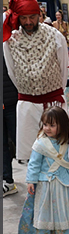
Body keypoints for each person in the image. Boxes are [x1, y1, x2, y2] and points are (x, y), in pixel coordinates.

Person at [3, 0, 69, 164]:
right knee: (33, 156)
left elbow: (63, 68)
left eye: (32, 17)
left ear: (39, 16)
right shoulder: (11, 40)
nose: (28, 22)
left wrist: (54, 91)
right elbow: (12, 72)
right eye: (24, 18)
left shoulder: (55, 36)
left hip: (53, 101)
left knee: (59, 152)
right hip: (27, 104)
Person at [19, 107, 69, 234]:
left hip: (68, 180)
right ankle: (49, 233)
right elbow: (34, 164)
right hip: (47, 183)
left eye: (52, 125)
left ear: (62, 125)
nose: (47, 128)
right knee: (49, 209)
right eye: (45, 124)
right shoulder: (40, 143)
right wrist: (31, 180)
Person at [3, 17, 19, 195]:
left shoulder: (10, 41)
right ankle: (7, 180)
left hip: (13, 101)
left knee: (18, 140)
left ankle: (34, 179)